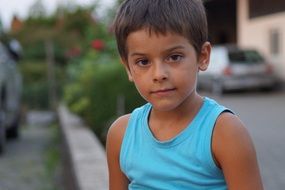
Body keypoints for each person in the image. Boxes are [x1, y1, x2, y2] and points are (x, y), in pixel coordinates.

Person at [106, 0, 264, 189]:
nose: (159, 74)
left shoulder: (223, 132)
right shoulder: (121, 135)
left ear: (202, 56)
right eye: (143, 61)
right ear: (128, 68)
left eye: (174, 57)